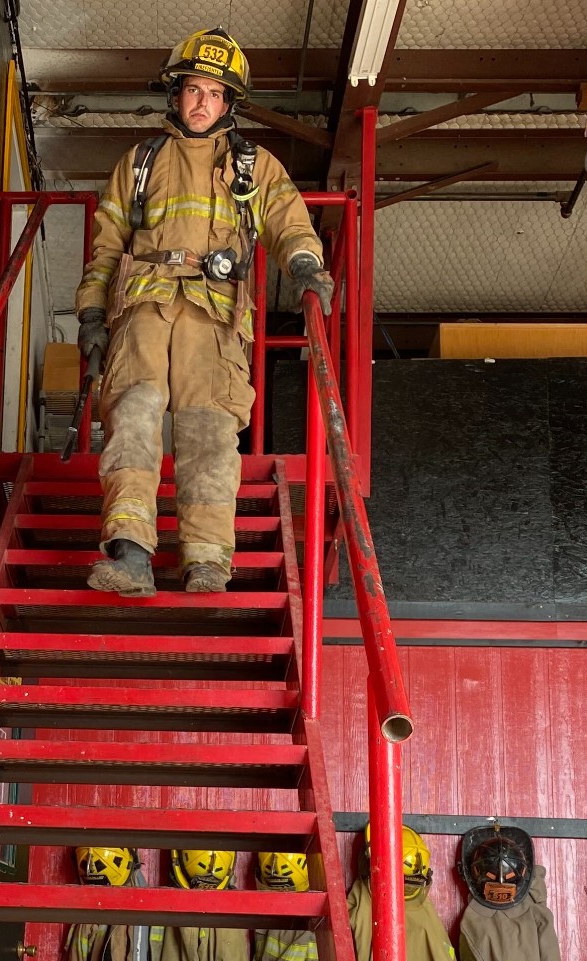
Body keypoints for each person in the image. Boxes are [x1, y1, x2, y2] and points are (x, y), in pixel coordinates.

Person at [76, 27, 334, 596]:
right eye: (194, 89)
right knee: (134, 417)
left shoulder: (254, 167)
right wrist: (92, 315)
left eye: (214, 93)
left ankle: (207, 562)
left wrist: (307, 267)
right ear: (176, 94)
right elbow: (106, 247)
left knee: (211, 433)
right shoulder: (139, 163)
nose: (202, 102)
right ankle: (130, 554)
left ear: (228, 103)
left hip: (215, 321)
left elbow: (290, 223)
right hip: (144, 309)